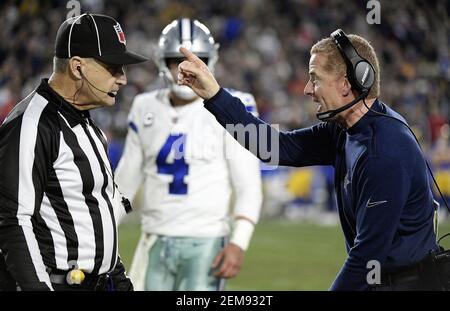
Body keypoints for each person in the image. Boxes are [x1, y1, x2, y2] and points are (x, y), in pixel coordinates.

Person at [177, 29, 442, 290]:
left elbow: (366, 258)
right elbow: (276, 147)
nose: (307, 89)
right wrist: (214, 94)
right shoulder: (346, 129)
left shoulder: (384, 152)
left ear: (348, 84)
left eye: (315, 78)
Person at [0, 13, 148, 291]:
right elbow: (13, 221)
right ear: (78, 67)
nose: (123, 79)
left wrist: (117, 279)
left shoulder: (86, 121)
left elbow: (92, 215)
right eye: (114, 68)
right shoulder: (33, 123)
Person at [114, 18, 262, 291]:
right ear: (161, 62)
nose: (184, 70)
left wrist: (239, 242)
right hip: (154, 238)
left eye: (197, 60)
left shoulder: (236, 106)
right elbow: (124, 183)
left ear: (210, 62)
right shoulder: (143, 106)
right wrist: (101, 236)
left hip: (207, 241)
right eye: (175, 61)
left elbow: (249, 186)